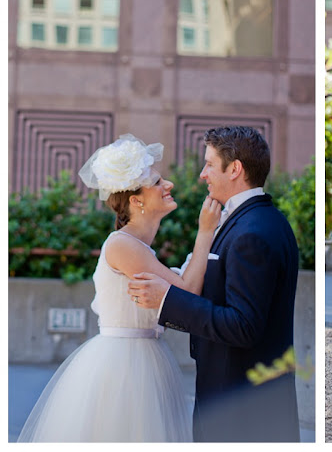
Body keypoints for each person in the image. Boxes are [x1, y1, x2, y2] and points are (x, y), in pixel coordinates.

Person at [18, 133, 221, 442]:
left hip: (146, 357)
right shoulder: (122, 245)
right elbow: (187, 291)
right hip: (125, 367)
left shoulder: (138, 247)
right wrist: (206, 231)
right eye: (156, 182)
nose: (169, 185)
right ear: (135, 200)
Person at [128, 126, 300, 442]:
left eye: (209, 164)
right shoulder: (254, 220)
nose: (202, 174)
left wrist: (168, 299)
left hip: (241, 409)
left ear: (235, 169)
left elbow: (243, 326)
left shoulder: (252, 233)